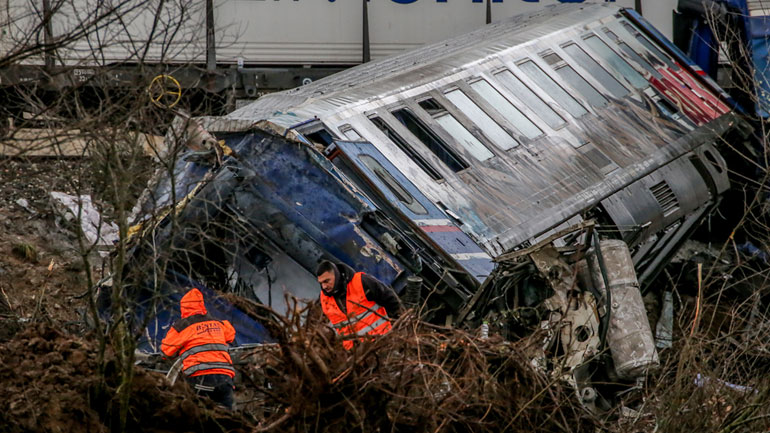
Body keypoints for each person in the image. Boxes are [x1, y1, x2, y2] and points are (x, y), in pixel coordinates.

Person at [161, 287, 237, 410]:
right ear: (202, 305)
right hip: (225, 378)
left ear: (183, 308)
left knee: (197, 416)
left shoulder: (182, 326)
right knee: (228, 419)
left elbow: (166, 351)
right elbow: (231, 335)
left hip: (200, 378)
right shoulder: (219, 323)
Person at [316, 260, 402, 350]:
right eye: (321, 283)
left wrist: (395, 328)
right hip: (355, 354)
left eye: (327, 281)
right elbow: (314, 323)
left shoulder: (361, 282)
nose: (324, 286)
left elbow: (392, 301)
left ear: (336, 276)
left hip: (381, 342)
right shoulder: (323, 299)